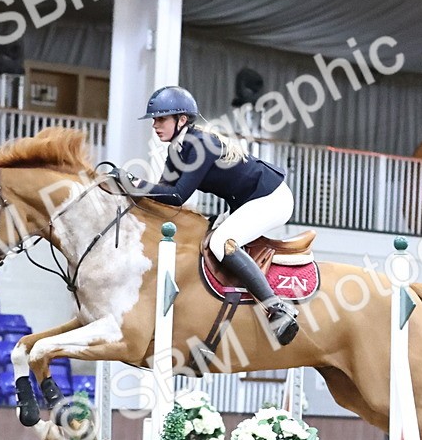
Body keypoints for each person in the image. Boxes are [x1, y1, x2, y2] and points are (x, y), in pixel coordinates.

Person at [114, 85, 299, 345]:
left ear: (181, 120)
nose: (155, 125)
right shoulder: (176, 150)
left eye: (161, 119)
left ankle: (278, 309)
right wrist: (123, 189)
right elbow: (163, 197)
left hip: (272, 198)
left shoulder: (200, 143)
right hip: (246, 202)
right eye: (154, 120)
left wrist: (132, 181)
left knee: (221, 243)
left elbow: (178, 196)